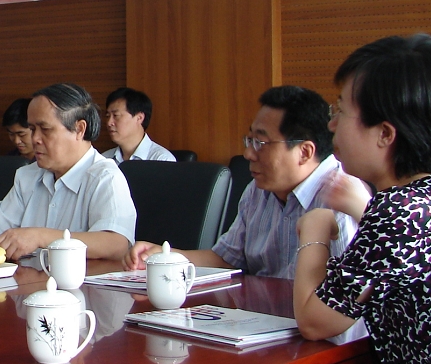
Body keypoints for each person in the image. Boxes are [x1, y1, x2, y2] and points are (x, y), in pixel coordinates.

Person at [293, 34, 431, 364]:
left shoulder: (397, 212)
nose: (331, 125)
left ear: (384, 134)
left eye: (340, 111)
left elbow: (315, 321)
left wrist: (314, 230)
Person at [125, 85, 369, 279]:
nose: (248, 154)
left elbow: (348, 305)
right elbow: (227, 259)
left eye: (261, 143)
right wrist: (168, 257)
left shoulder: (342, 200)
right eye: (249, 140)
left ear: (304, 152)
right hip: (260, 317)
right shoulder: (258, 190)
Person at [0, 83, 136, 261]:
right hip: (30, 284)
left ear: (79, 129)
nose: (35, 139)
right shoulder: (28, 175)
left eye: (45, 129)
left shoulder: (104, 176)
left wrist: (41, 237)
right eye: (33, 129)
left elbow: (116, 243)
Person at [102, 87, 175, 164]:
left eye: (116, 115)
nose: (109, 123)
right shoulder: (104, 160)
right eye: (107, 116)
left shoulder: (162, 160)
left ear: (139, 118)